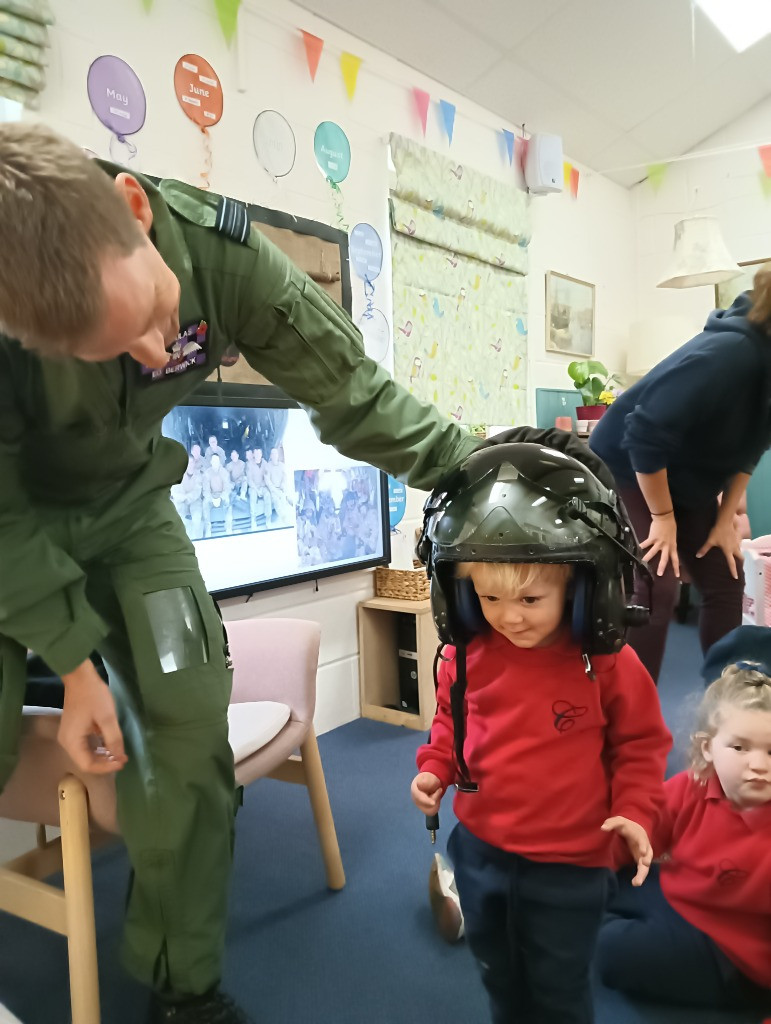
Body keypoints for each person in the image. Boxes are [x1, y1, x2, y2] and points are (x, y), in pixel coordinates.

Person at [0, 122, 482, 1024]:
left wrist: (477, 465)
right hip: (8, 523)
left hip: (129, 514)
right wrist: (70, 664)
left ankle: (180, 986)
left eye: (150, 316)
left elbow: (350, 390)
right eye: (107, 349)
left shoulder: (223, 255)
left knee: (185, 729)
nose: (153, 353)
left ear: (135, 210)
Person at [411, 442, 671, 1024]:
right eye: (489, 597)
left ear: (580, 589)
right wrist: (435, 766)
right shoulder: (467, 653)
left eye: (532, 598)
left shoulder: (605, 663)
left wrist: (636, 809)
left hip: (569, 865)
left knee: (558, 991)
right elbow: (452, 720)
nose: (510, 616)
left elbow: (641, 745)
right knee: (497, 974)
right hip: (480, 852)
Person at [589, 282, 771, 683]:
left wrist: (725, 520)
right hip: (628, 465)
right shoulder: (730, 354)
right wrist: (663, 516)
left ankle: (726, 703)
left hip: (684, 476)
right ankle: (632, 716)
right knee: (657, 584)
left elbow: (752, 447)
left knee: (727, 576)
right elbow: (644, 435)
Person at [597, 626, 771, 1013]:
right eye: (740, 747)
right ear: (708, 748)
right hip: (680, 895)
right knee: (594, 883)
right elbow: (643, 833)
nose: (758, 766)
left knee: (613, 951)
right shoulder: (696, 785)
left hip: (731, 955)